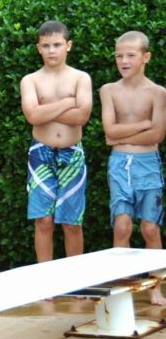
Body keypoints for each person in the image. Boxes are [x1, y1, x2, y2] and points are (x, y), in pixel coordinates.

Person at [100, 30, 166, 305]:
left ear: (145, 57)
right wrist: (142, 124)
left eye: (130, 55)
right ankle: (124, 288)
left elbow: (157, 135)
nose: (123, 60)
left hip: (148, 164)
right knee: (122, 226)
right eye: (119, 55)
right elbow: (108, 131)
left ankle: (156, 288)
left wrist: (119, 136)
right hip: (119, 164)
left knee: (150, 228)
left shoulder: (158, 93)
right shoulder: (109, 90)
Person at [20, 20, 93, 263]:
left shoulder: (81, 78)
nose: (52, 50)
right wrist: (67, 103)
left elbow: (82, 116)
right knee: (43, 219)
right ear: (38, 48)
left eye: (57, 45)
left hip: (72, 154)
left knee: (72, 222)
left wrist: (45, 110)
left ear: (68, 46)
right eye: (46, 45)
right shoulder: (30, 81)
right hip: (40, 154)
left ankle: (75, 280)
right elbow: (32, 115)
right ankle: (46, 281)